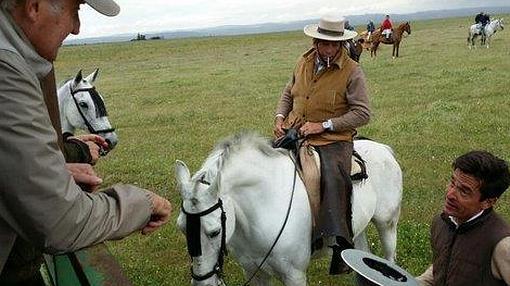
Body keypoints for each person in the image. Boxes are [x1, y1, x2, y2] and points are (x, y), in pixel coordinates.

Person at [0, 0, 172, 284]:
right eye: (75, 10)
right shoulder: (6, 70)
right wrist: (142, 203)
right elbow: (59, 221)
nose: (77, 28)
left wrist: (53, 169)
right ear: (34, 6)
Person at [274, 15, 370, 275]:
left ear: (340, 44)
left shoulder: (352, 71)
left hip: (332, 139)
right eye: (323, 43)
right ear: (316, 41)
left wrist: (324, 125)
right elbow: (288, 91)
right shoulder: (303, 62)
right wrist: (280, 117)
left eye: (333, 45)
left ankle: (340, 244)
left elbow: (362, 113)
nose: (328, 49)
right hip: (295, 131)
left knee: (333, 176)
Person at [416, 151, 510, 286]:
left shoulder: (502, 245)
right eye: (453, 183)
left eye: (464, 191)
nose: (450, 194)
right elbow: (445, 266)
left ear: (488, 202)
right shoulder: (442, 222)